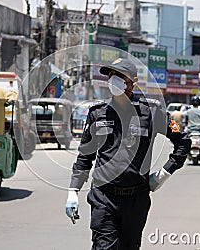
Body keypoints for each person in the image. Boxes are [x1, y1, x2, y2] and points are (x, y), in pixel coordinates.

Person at [65, 58, 191, 250]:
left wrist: (163, 174)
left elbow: (183, 142)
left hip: (136, 199)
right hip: (103, 197)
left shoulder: (152, 112)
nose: (114, 80)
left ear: (133, 81)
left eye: (120, 76)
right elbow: (85, 156)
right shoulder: (97, 113)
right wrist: (73, 191)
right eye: (111, 75)